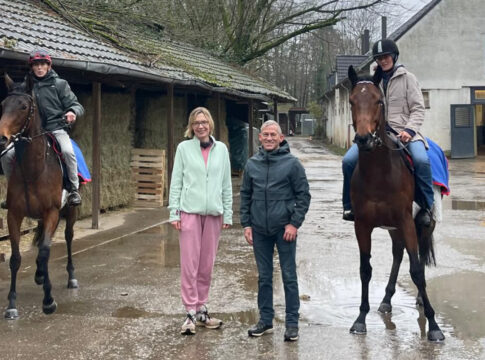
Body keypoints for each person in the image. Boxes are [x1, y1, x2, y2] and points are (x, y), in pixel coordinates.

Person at [342, 39, 434, 226]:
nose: (383, 61)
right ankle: (349, 205)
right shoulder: (373, 81)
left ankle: (426, 207)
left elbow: (418, 108)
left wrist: (409, 129)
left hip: (405, 131)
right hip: (377, 133)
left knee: (421, 160)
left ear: (394, 56)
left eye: (386, 57)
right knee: (348, 161)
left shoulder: (408, 78)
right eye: (379, 58)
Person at [240, 120, 311, 342]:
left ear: (281, 138)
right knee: (264, 277)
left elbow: (304, 196)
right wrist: (246, 224)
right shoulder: (252, 164)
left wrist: (294, 224)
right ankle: (266, 321)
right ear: (259, 138)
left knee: (289, 276)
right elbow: (245, 195)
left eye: (273, 135)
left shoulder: (292, 164)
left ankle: (291, 323)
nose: (269, 138)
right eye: (265, 134)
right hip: (260, 229)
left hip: (284, 230)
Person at [168, 107, 233, 335]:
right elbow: (176, 182)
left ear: (211, 124)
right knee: (190, 264)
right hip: (189, 212)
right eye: (196, 122)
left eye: (204, 122)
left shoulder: (222, 150)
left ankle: (202, 309)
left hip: (213, 214)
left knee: (207, 264)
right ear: (191, 126)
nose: (201, 126)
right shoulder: (184, 149)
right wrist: (174, 212)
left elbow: (226, 183)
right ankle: (189, 312)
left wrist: (229, 213)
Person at [1, 49, 84, 207]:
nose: (39, 68)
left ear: (48, 66)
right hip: (31, 132)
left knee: (67, 151)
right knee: (6, 155)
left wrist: (72, 112)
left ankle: (74, 189)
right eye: (36, 65)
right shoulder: (27, 85)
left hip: (56, 128)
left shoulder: (60, 84)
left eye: (43, 65)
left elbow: (76, 105)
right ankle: (12, 190)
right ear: (32, 67)